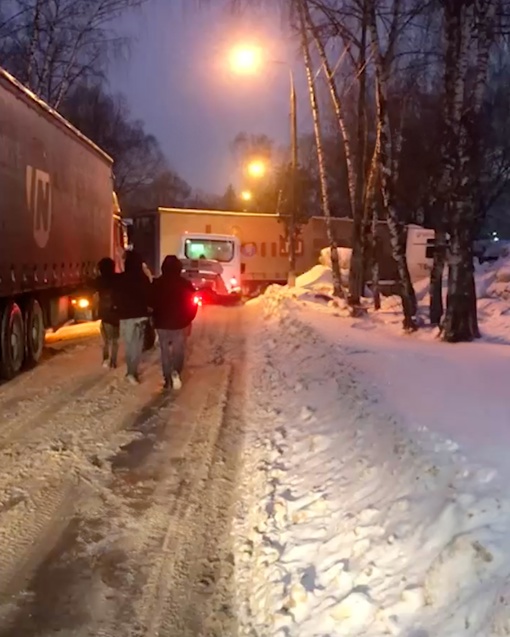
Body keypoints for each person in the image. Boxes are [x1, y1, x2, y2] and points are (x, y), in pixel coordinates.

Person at [151, 255, 198, 390]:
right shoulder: (186, 284)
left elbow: (151, 302)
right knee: (179, 350)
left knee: (165, 351)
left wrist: (153, 318)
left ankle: (167, 379)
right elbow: (193, 304)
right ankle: (176, 372)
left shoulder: (157, 283)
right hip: (180, 323)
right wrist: (189, 318)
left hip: (162, 323)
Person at [113, 250, 152, 384]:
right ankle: (132, 372)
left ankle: (130, 371)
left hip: (126, 316)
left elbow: (116, 297)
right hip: (141, 316)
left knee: (129, 345)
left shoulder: (120, 279)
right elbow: (149, 296)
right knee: (137, 345)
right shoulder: (143, 278)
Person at [95, 257, 119, 369]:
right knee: (115, 339)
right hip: (117, 313)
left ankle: (106, 359)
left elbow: (90, 286)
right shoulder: (117, 279)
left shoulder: (99, 281)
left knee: (106, 339)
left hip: (105, 313)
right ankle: (113, 362)